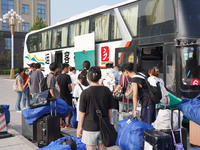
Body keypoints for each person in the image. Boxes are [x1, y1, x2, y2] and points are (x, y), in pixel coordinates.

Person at [77, 66, 113, 150]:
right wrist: (109, 123)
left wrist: (80, 126)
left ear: (88, 77)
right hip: (104, 125)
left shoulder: (85, 93)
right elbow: (110, 109)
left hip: (89, 126)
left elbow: (82, 112)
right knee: (103, 148)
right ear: (100, 77)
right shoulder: (106, 90)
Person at [57, 63, 72, 128]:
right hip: (67, 95)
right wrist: (70, 90)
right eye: (68, 68)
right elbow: (69, 86)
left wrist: (61, 91)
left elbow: (58, 86)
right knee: (68, 109)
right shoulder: (67, 76)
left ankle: (60, 122)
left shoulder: (59, 76)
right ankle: (67, 123)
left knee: (61, 108)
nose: (69, 69)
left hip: (61, 95)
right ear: (65, 68)